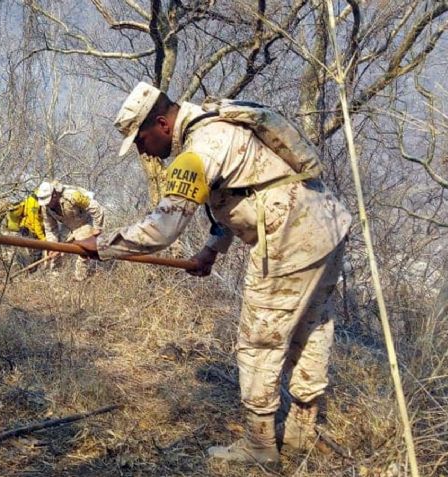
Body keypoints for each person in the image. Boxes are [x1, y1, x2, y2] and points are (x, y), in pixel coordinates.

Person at [74, 82, 351, 465]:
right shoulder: (220, 127)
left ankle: (259, 446)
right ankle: (301, 432)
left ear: (161, 123)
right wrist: (211, 251)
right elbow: (244, 195)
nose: (141, 149)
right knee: (312, 326)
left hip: (290, 237)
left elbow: (164, 228)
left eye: (140, 139)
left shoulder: (197, 152)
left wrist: (104, 247)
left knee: (260, 341)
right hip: (326, 223)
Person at [35, 180, 105, 281]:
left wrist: (98, 228)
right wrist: (52, 245)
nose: (48, 204)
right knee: (56, 252)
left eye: (49, 200)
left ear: (54, 194)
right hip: (67, 227)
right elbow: (50, 229)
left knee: (84, 251)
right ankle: (55, 280)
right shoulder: (45, 208)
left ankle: (80, 279)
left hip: (84, 223)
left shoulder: (73, 195)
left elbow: (96, 208)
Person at [0, 194, 46, 267]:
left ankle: (10, 268)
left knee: (10, 252)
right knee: (28, 252)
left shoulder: (27, 201)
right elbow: (35, 222)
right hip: (21, 230)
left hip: (8, 229)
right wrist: (43, 238)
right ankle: (25, 269)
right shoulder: (33, 205)